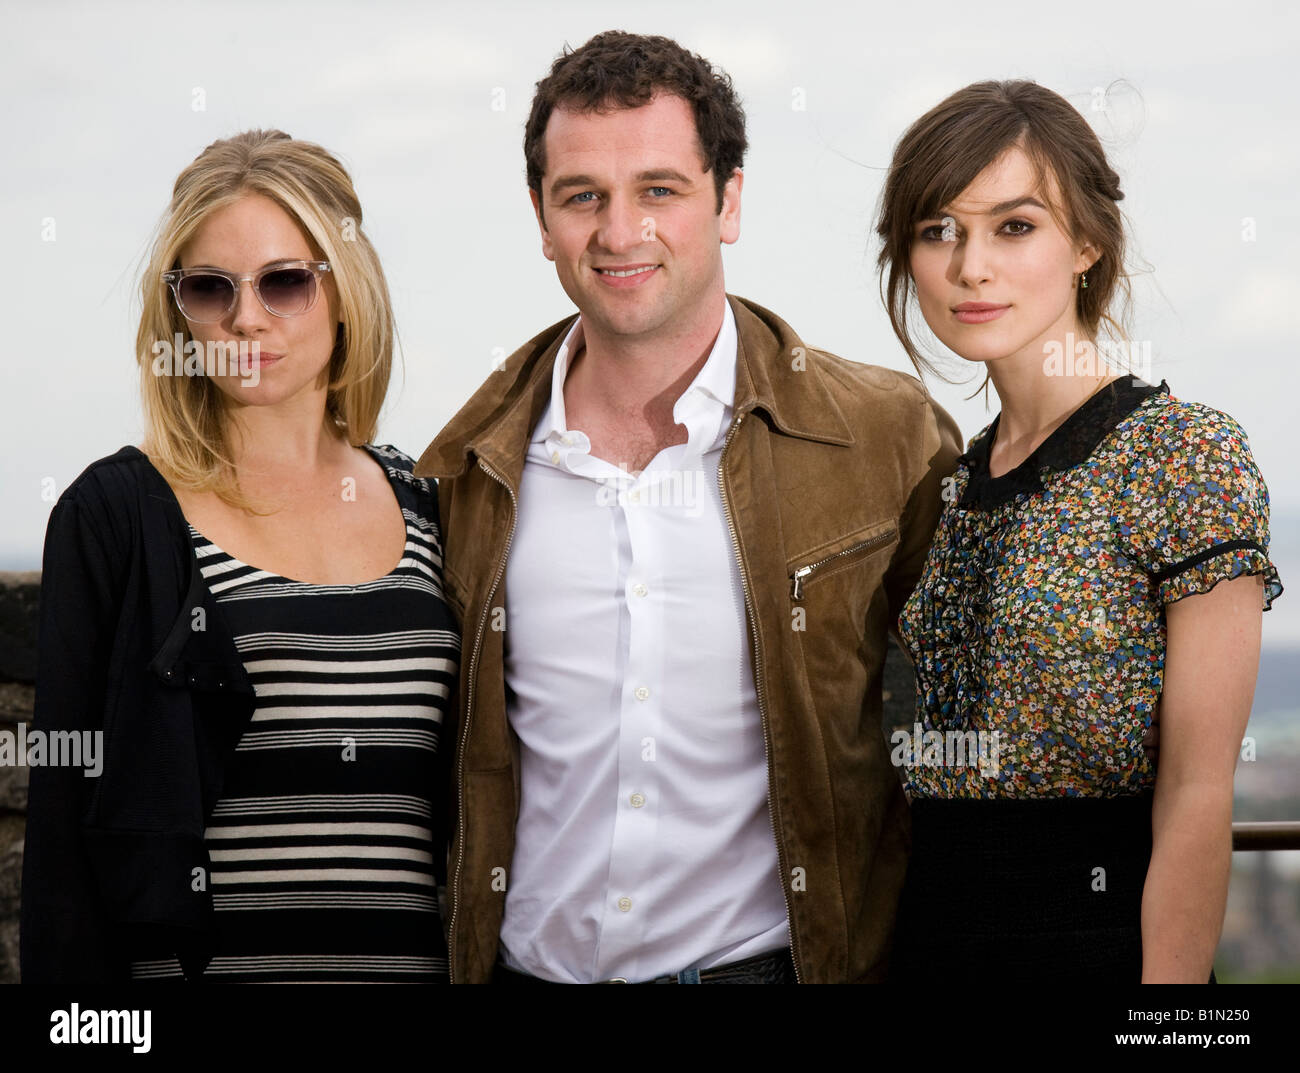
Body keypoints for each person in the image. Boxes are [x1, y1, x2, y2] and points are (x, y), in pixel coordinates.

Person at [414, 30, 962, 984]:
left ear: (730, 199)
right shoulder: (463, 469)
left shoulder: (887, 438)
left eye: (659, 189)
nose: (620, 232)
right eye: (582, 195)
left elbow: (974, 711)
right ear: (542, 218)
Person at [21, 130, 458, 983]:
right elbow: (61, 847)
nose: (245, 317)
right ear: (177, 306)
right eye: (210, 287)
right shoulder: (115, 517)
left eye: (285, 281)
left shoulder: (429, 505)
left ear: (345, 290)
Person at [876, 80, 1283, 982]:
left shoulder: (1180, 456)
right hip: (927, 947)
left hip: (1097, 952)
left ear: (1088, 245)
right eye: (938, 230)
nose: (970, 265)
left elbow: (1197, 793)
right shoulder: (948, 485)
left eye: (1014, 226)